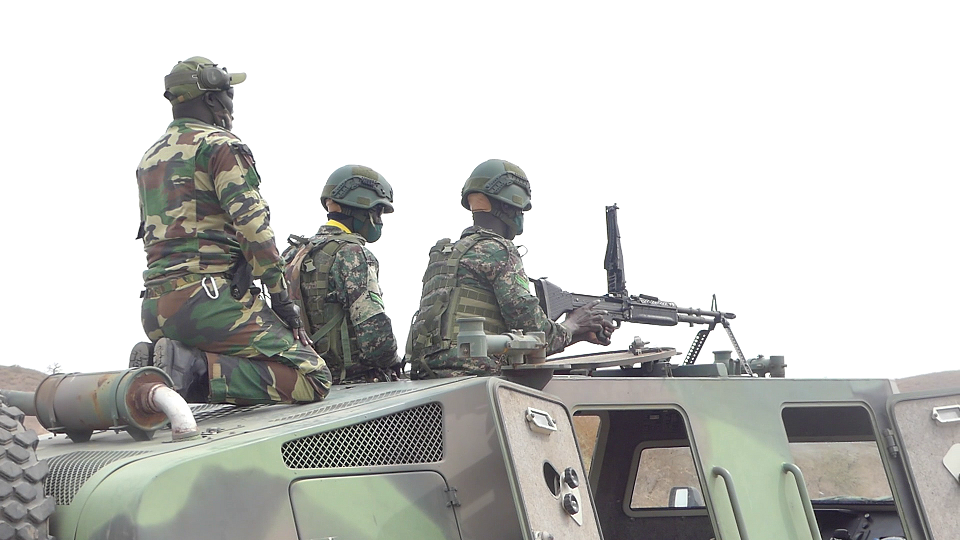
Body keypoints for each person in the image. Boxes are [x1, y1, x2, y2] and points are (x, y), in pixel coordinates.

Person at [136, 56, 332, 404]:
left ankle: (171, 366)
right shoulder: (220, 145)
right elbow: (254, 230)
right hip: (208, 302)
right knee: (312, 376)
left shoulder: (150, 158)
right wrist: (283, 302)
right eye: (227, 94)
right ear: (211, 99)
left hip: (155, 308)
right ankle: (192, 366)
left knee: (250, 358)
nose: (231, 103)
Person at [407, 159, 615, 379]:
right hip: (475, 380)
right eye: (521, 209)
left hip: (427, 376)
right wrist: (573, 324)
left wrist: (579, 334)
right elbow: (536, 333)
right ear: (508, 207)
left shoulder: (443, 253)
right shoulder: (500, 251)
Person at [282, 165, 402, 383]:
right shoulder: (353, 254)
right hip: (353, 383)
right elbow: (375, 334)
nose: (380, 220)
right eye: (378, 211)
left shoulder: (292, 252)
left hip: (308, 381)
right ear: (362, 207)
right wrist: (393, 361)